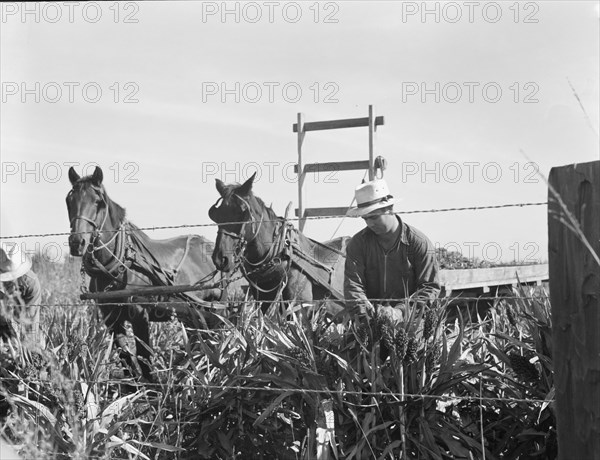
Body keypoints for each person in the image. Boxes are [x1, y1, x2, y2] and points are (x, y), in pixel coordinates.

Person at [344, 179, 440, 321]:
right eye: (365, 219)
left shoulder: (418, 243)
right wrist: (367, 315)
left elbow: (429, 288)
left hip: (411, 323)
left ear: (390, 209)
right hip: (370, 323)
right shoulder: (358, 244)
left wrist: (400, 312)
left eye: (374, 217)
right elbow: (353, 287)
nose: (370, 223)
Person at [0, 244, 42, 347]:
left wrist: (27, 350)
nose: (10, 282)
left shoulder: (31, 284)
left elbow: (30, 322)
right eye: (6, 279)